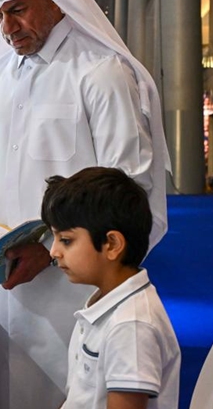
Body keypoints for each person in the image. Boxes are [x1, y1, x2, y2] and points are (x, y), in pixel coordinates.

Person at [0, 0, 171, 409]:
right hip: (3, 281)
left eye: (19, 10)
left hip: (74, 288)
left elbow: (128, 189)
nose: (7, 28)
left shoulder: (101, 74)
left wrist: (48, 251)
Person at [42, 167, 180, 409]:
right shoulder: (106, 300)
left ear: (112, 244)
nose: (54, 252)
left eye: (66, 240)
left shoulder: (131, 326)